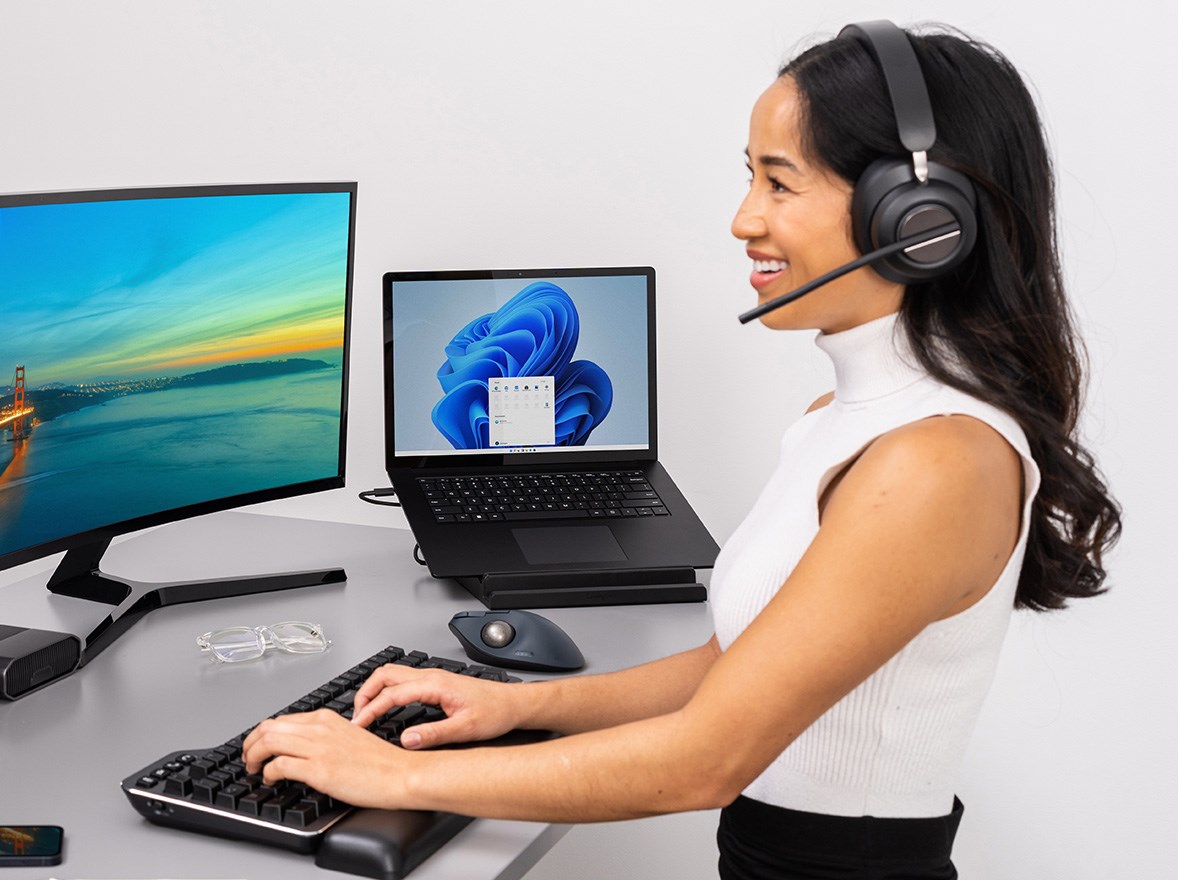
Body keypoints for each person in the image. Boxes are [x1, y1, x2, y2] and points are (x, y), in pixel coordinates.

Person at [243, 21, 1121, 878]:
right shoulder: (845, 419)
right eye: (751, 180)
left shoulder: (935, 460)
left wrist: (398, 775)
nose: (745, 220)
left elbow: (709, 759)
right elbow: (733, 669)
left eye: (781, 184)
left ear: (919, 217)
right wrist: (514, 704)